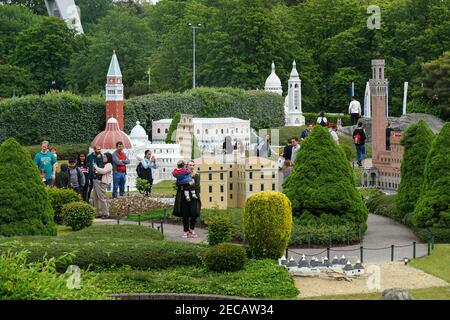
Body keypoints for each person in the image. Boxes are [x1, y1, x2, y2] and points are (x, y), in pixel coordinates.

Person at [173, 160, 201, 238]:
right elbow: (178, 184)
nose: (191, 166)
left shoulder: (196, 175)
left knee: (194, 213)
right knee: (185, 214)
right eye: (190, 165)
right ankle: (186, 231)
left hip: (194, 196)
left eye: (193, 165)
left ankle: (191, 229)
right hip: (184, 196)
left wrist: (184, 186)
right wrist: (188, 184)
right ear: (187, 166)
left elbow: (196, 186)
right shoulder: (182, 174)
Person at [92, 152, 113, 218]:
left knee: (101, 197)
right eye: (103, 157)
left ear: (108, 158)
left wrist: (96, 167)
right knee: (95, 198)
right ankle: (98, 213)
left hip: (101, 183)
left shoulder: (109, 165)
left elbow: (103, 171)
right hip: (96, 181)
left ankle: (106, 213)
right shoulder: (103, 164)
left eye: (105, 157)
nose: (103, 158)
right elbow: (98, 171)